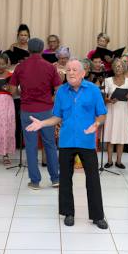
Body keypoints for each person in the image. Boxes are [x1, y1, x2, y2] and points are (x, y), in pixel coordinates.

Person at [26, 59, 108, 229]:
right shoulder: (62, 92)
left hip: (86, 141)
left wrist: (97, 123)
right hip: (66, 140)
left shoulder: (93, 90)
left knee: (93, 179)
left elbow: (102, 114)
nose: (70, 72)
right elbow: (57, 117)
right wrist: (42, 123)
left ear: (83, 73)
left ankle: (98, 216)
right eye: (68, 70)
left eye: (74, 70)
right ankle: (68, 213)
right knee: (65, 179)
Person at [8, 38, 60, 189]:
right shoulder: (50, 67)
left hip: (27, 110)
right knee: (50, 144)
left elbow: (12, 90)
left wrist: (21, 92)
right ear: (42, 49)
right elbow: (58, 90)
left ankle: (35, 181)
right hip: (46, 111)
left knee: (30, 146)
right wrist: (50, 99)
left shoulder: (20, 67)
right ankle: (56, 179)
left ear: (28, 50)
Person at [103, 59, 128, 169]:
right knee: (110, 134)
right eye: (116, 66)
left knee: (121, 135)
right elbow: (103, 97)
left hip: (123, 111)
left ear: (124, 68)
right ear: (113, 68)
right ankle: (109, 161)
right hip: (111, 110)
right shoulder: (107, 81)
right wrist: (108, 100)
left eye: (120, 66)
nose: (118, 68)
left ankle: (119, 161)